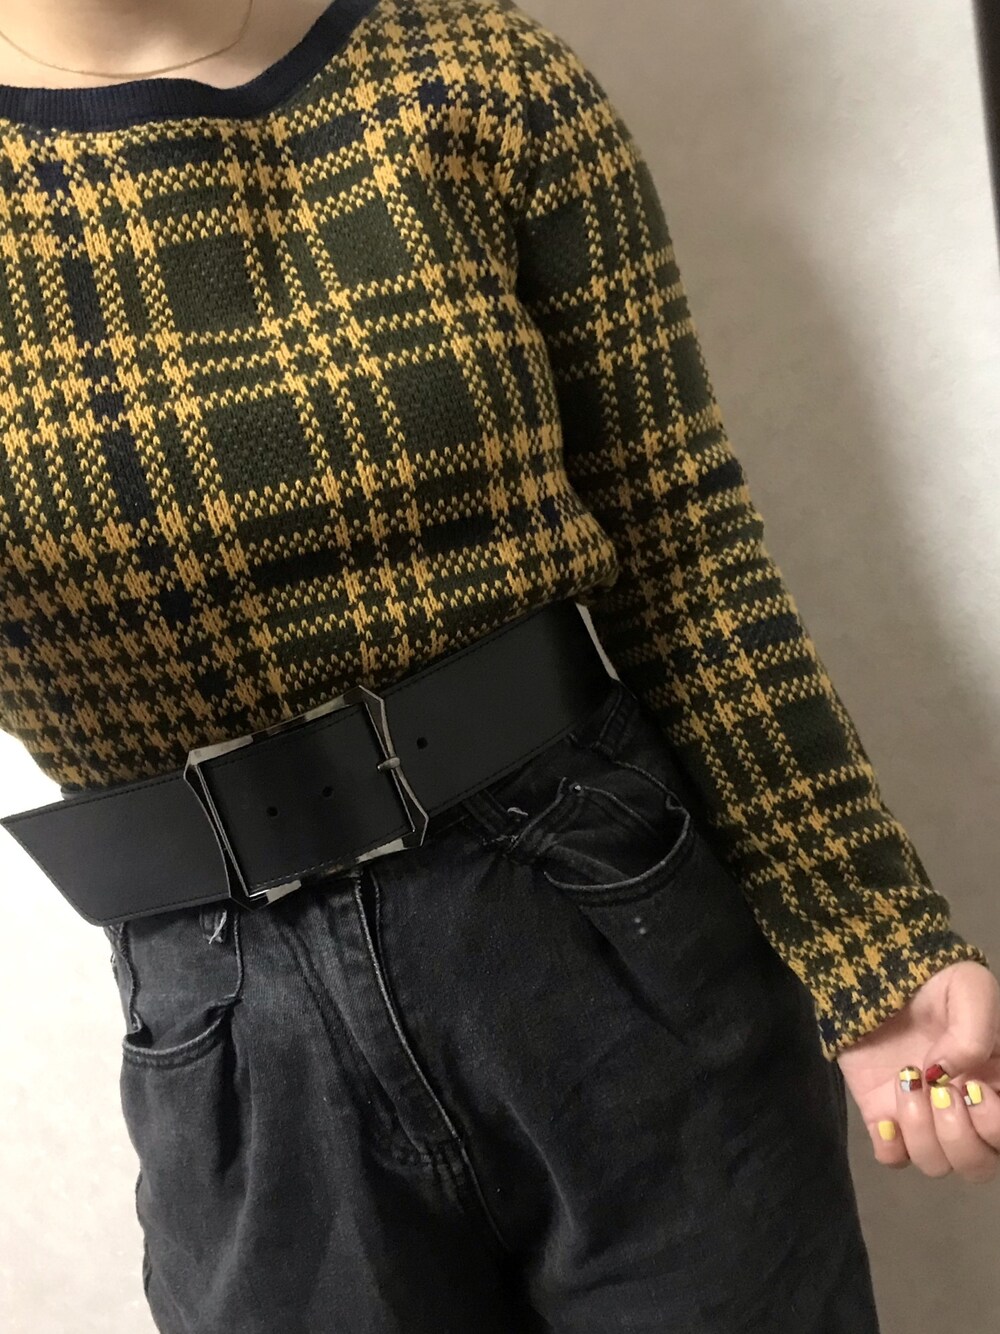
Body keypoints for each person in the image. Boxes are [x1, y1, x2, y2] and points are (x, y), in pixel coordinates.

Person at [0, 0, 995, 1330]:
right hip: (230, 1024)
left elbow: (684, 552)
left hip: (607, 925)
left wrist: (868, 935)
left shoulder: (481, 81)